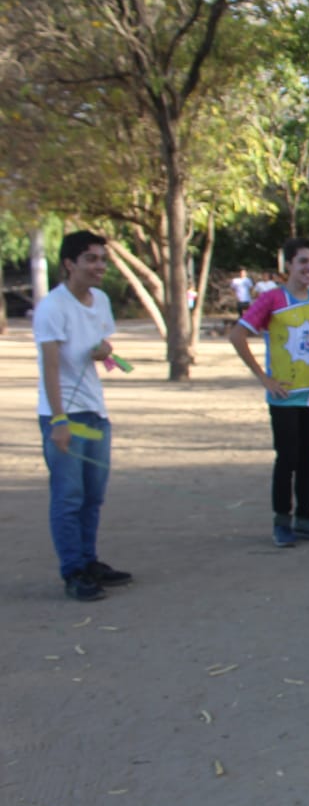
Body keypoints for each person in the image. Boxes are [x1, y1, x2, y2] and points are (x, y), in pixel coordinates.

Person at [36, 230, 131, 601]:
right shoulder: (52, 307)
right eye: (91, 259)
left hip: (94, 414)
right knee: (68, 495)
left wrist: (107, 353)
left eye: (103, 260)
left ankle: (90, 562)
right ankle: (73, 570)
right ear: (69, 263)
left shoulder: (102, 301)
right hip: (65, 417)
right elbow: (51, 366)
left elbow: (100, 351)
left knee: (93, 493)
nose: (99, 267)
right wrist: (58, 420)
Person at [230, 238, 309, 548]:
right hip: (284, 395)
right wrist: (264, 377)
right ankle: (282, 521)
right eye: (303, 262)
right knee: (287, 458)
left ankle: (306, 518)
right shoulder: (272, 300)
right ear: (288, 266)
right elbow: (237, 334)